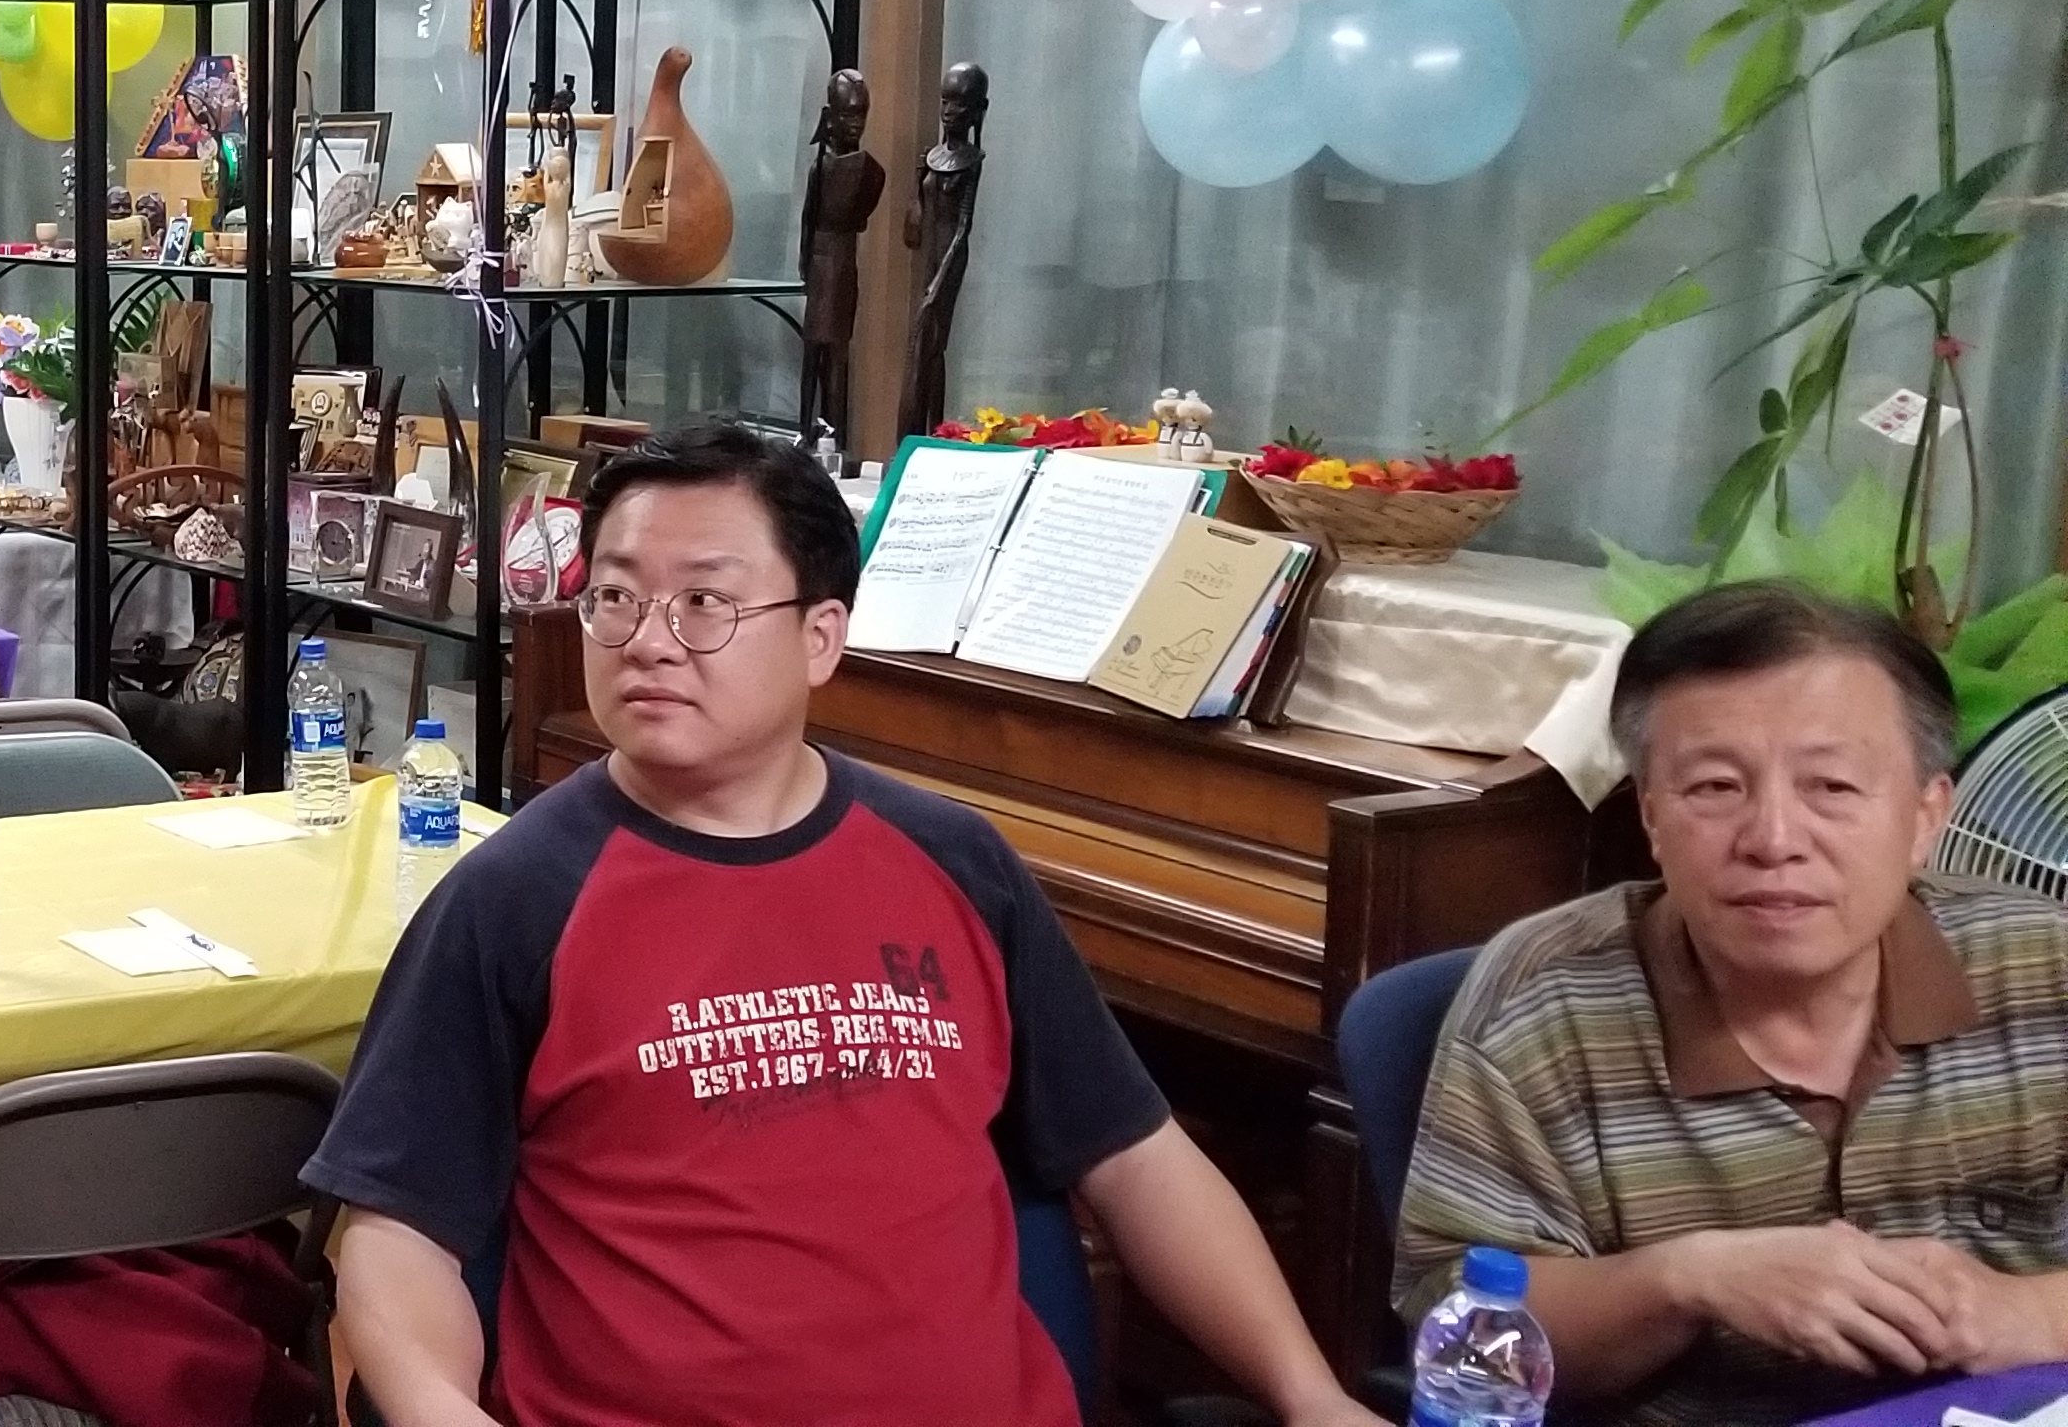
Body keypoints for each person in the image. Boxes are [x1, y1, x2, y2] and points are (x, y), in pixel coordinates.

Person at [309, 419, 1383, 1427]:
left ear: (822, 636)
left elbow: (1137, 1157)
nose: (649, 642)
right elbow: (398, 1233)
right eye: (617, 598)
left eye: (705, 603)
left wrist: (1311, 1397)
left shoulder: (957, 863)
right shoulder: (515, 900)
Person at [1396, 581, 2068, 1425]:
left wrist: (2030, 1312)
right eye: (1716, 787)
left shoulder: (2045, 964)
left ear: (1927, 816)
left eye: (1832, 787)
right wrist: (1688, 1280)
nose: (1774, 840)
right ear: (1651, 817)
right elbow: (1459, 1339)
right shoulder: (1538, 1007)